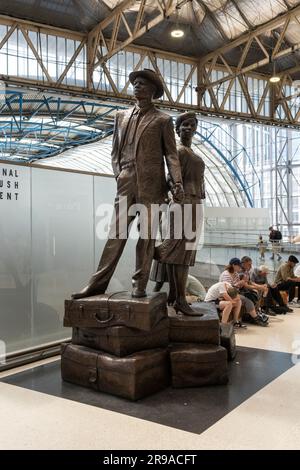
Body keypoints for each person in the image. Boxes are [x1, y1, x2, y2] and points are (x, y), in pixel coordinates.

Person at [72, 69, 184, 299]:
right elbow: (115, 151)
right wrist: (119, 175)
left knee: (146, 238)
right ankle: (97, 283)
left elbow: (171, 155)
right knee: (116, 235)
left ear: (153, 90)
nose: (137, 86)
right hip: (126, 181)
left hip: (152, 186)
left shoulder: (163, 120)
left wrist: (177, 182)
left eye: (142, 83)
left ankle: (139, 285)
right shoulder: (120, 116)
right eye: (135, 83)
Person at [155, 112, 205, 315]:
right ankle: (180, 298)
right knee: (179, 252)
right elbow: (169, 179)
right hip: (183, 203)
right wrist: (174, 194)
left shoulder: (195, 155)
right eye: (184, 124)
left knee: (185, 252)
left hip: (195, 203)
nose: (188, 127)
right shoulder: (178, 151)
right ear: (177, 129)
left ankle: (176, 296)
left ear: (195, 129)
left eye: (191, 124)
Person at [219, 258, 268, 326]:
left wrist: (242, 282)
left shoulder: (235, 274)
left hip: (234, 293)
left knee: (250, 296)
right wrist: (241, 283)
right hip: (226, 294)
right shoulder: (226, 274)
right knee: (247, 300)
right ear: (233, 265)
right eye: (238, 266)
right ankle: (255, 318)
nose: (240, 267)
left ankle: (241, 319)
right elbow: (228, 289)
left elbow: (237, 287)